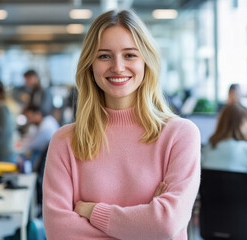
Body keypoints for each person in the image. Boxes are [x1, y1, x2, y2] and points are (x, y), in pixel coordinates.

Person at [42, 10, 201, 240]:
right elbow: (59, 232)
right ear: (90, 64)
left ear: (146, 61)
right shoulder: (65, 141)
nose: (117, 67)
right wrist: (143, 224)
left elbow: (165, 224)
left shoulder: (180, 135)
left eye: (129, 55)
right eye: (104, 56)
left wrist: (92, 212)